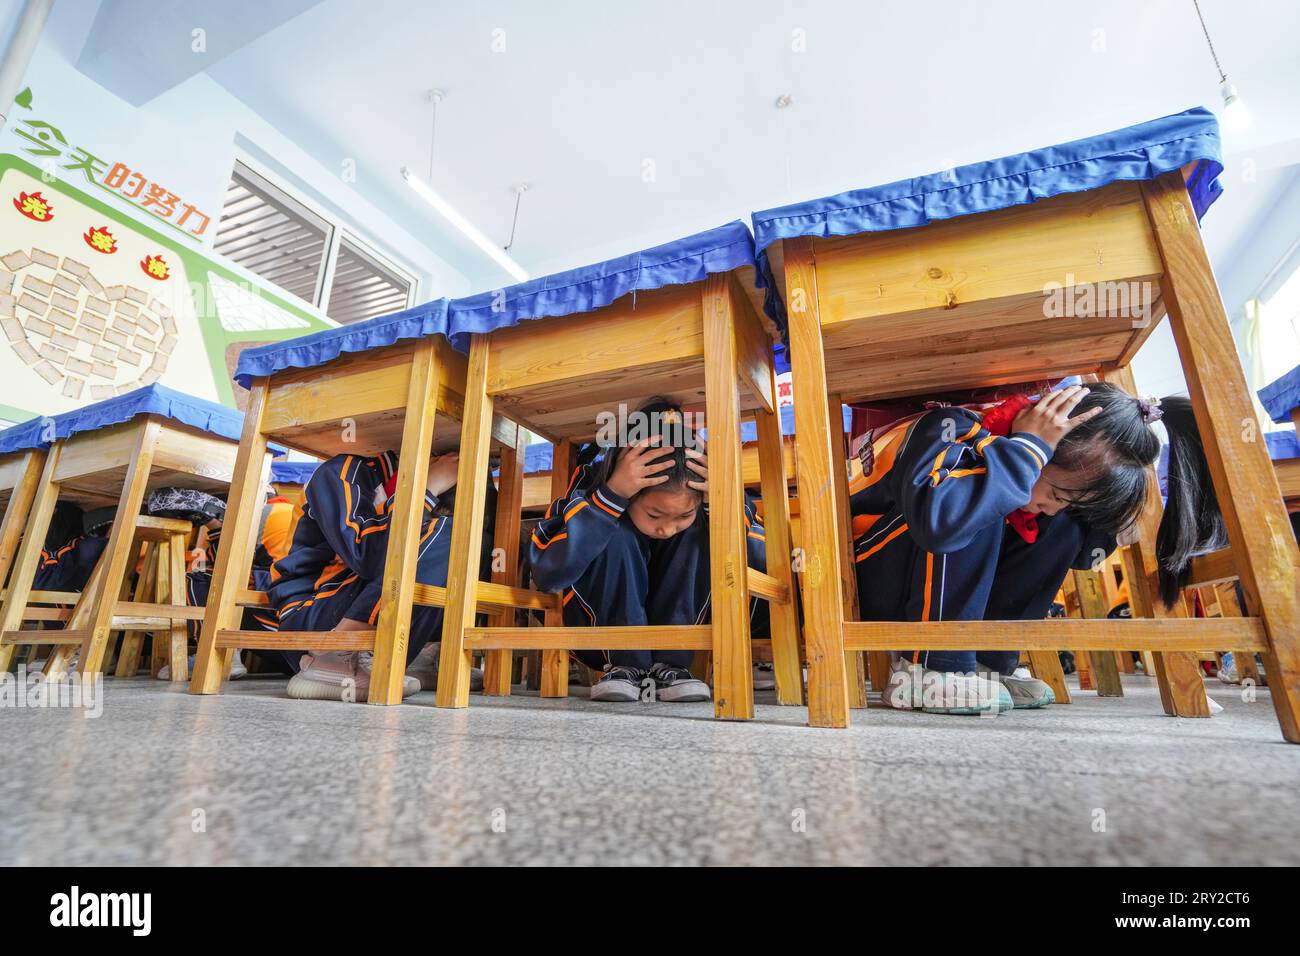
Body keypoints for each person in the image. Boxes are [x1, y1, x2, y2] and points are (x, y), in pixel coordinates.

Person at [850, 383, 1223, 715]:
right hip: (872, 578)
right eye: (1058, 493)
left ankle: (986, 663)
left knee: (1064, 523)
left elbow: (1077, 555)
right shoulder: (952, 426)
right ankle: (931, 667)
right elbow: (940, 524)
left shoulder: (1051, 499)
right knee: (984, 494)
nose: (1054, 504)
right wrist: (1028, 450)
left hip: (928, 582)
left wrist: (1105, 521)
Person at [528, 399, 769, 703]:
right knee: (612, 528)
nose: (666, 528)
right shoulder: (595, 486)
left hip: (685, 641)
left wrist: (721, 501)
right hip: (594, 638)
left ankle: (670, 663)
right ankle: (626, 663)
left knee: (703, 530)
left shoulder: (706, 505)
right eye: (655, 515)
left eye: (682, 515)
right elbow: (548, 574)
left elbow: (758, 563)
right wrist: (610, 497)